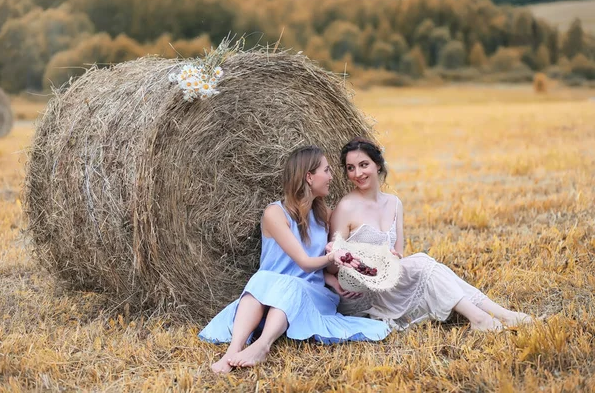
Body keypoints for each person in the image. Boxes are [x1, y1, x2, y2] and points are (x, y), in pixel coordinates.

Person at [199, 146, 390, 374]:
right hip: (267, 294)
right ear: (309, 177)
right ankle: (233, 350)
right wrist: (332, 256)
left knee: (288, 285)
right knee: (263, 279)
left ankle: (262, 345)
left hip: (313, 295)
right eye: (326, 171)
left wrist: (333, 278)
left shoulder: (325, 216)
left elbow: (349, 240)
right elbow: (303, 263)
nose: (331, 177)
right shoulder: (275, 214)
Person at [324, 137, 532, 332]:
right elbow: (332, 263)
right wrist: (359, 256)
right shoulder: (346, 207)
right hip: (359, 293)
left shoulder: (395, 204)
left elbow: (399, 255)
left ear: (377, 165)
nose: (357, 173)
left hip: (389, 281)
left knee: (431, 268)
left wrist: (390, 259)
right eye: (351, 168)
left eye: (363, 165)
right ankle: (486, 318)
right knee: (424, 263)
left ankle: (500, 315)